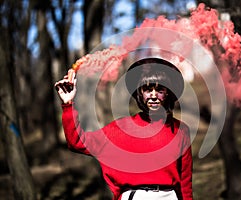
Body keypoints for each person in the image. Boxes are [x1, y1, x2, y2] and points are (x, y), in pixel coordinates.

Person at [54, 57, 193, 200]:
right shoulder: (121, 128)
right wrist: (68, 104)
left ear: (168, 92)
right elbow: (77, 142)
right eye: (147, 89)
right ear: (139, 93)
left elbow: (185, 182)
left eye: (159, 90)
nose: (153, 96)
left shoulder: (180, 130)